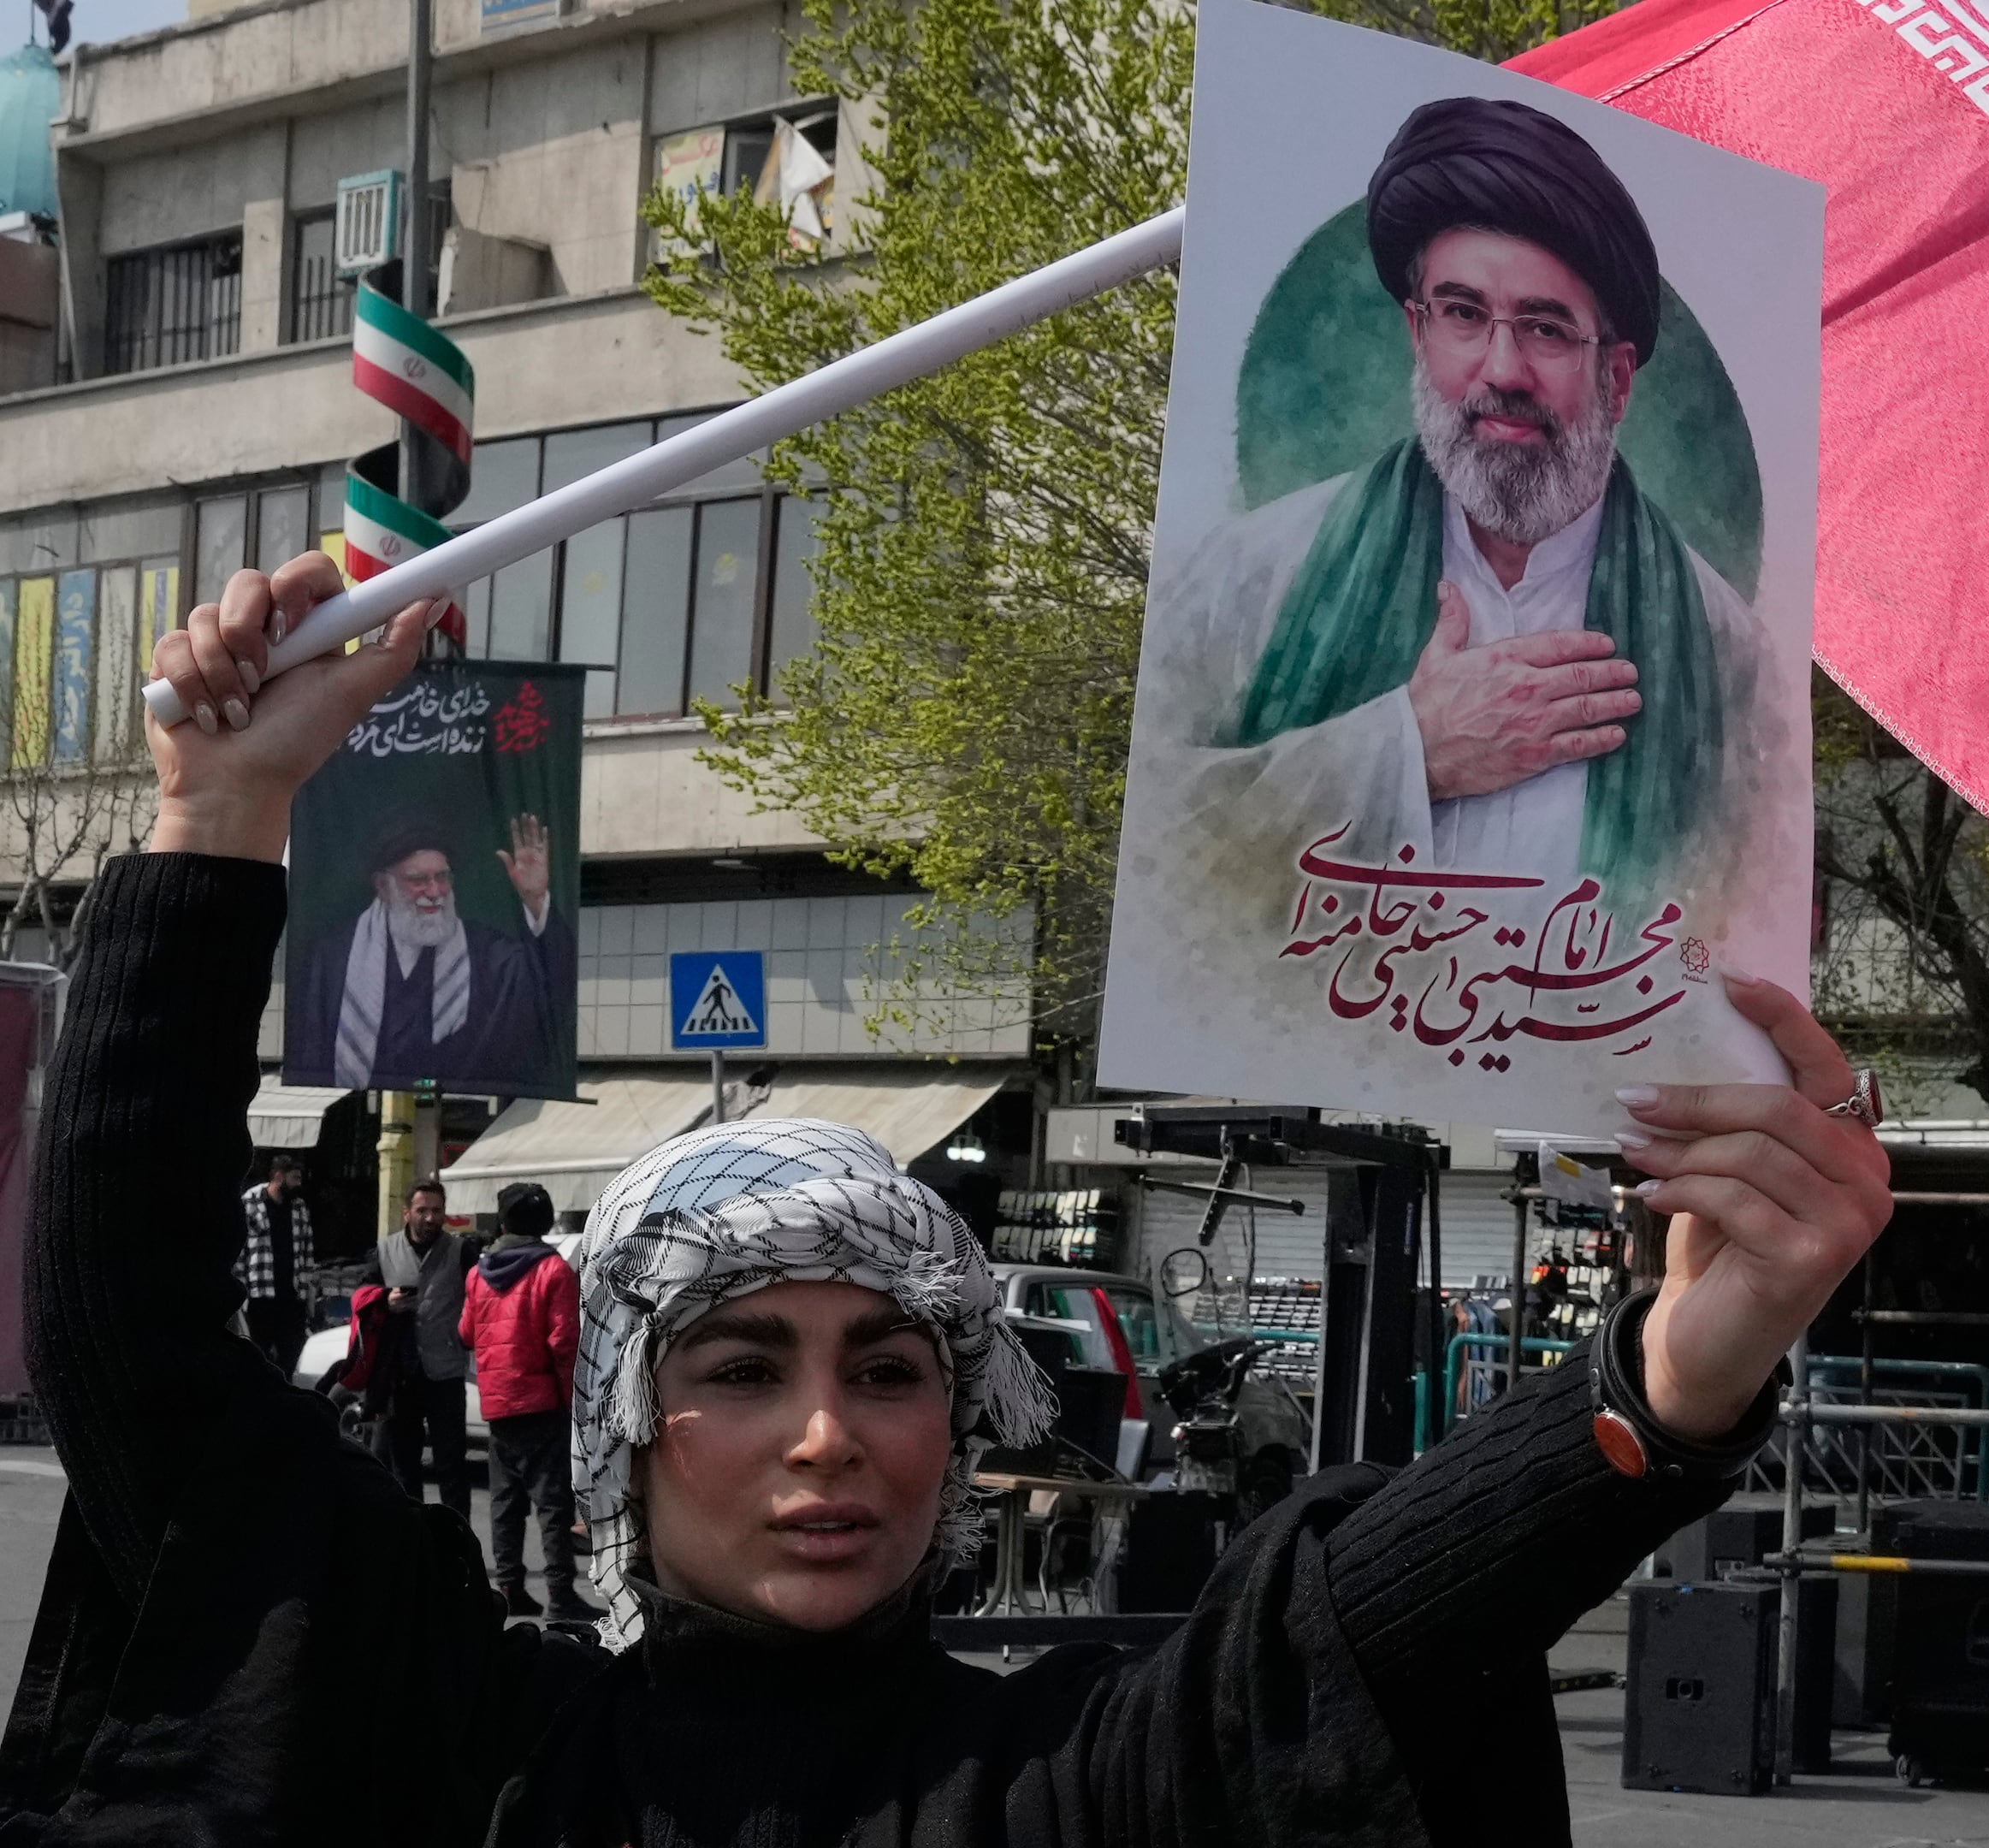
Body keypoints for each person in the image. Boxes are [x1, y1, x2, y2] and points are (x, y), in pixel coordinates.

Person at [0, 551, 1892, 1845]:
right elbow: (142, 1365)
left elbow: (1355, 1624)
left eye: (889, 1369)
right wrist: (209, 829)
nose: (831, 1436)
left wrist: (1673, 1379)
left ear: (965, 1422)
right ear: (627, 1426)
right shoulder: (473, 1755)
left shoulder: (1060, 1779)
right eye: (744, 1366)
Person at [1129, 95, 1788, 931]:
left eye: (1547, 329)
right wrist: (1403, 754)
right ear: (1418, 332)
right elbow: (1157, 850)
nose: (1502, 368)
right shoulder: (1249, 579)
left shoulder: (1729, 657)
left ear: (1618, 380)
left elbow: (1748, 929)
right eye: (1464, 314)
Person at [282, 808, 570, 1091]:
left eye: (442, 878)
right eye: (418, 880)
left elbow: (548, 979)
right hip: (359, 1115)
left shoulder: (491, 956)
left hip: (462, 1116)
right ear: (383, 885)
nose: (434, 893)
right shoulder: (335, 960)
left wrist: (535, 899)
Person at [463, 1179, 595, 1623]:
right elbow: (563, 1341)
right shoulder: (553, 1271)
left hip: (498, 1405)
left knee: (506, 1504)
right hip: (541, 1402)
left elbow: (466, 1333)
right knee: (553, 1504)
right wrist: (572, 1398)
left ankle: (511, 1589)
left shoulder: (479, 1274)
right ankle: (561, 1595)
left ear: (503, 1220)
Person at [376, 1176, 479, 1510]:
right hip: (401, 1372)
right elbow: (361, 1299)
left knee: (451, 1463)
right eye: (423, 1210)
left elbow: (479, 1298)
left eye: (437, 1211)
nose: (431, 1218)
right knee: (404, 1464)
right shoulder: (385, 1249)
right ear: (407, 1213)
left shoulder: (461, 1251)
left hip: (445, 1370)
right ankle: (413, 1541)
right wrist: (384, 1300)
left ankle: (456, 1543)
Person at [234, 1151, 315, 1366]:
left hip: (291, 1297)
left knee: (291, 1355)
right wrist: (241, 1295)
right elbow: (240, 1253)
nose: (298, 1183)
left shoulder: (299, 1207)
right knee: (258, 1356)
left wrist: (305, 1293)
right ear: (279, 1176)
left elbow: (307, 1252)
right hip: (262, 1296)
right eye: (294, 1178)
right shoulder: (249, 1203)